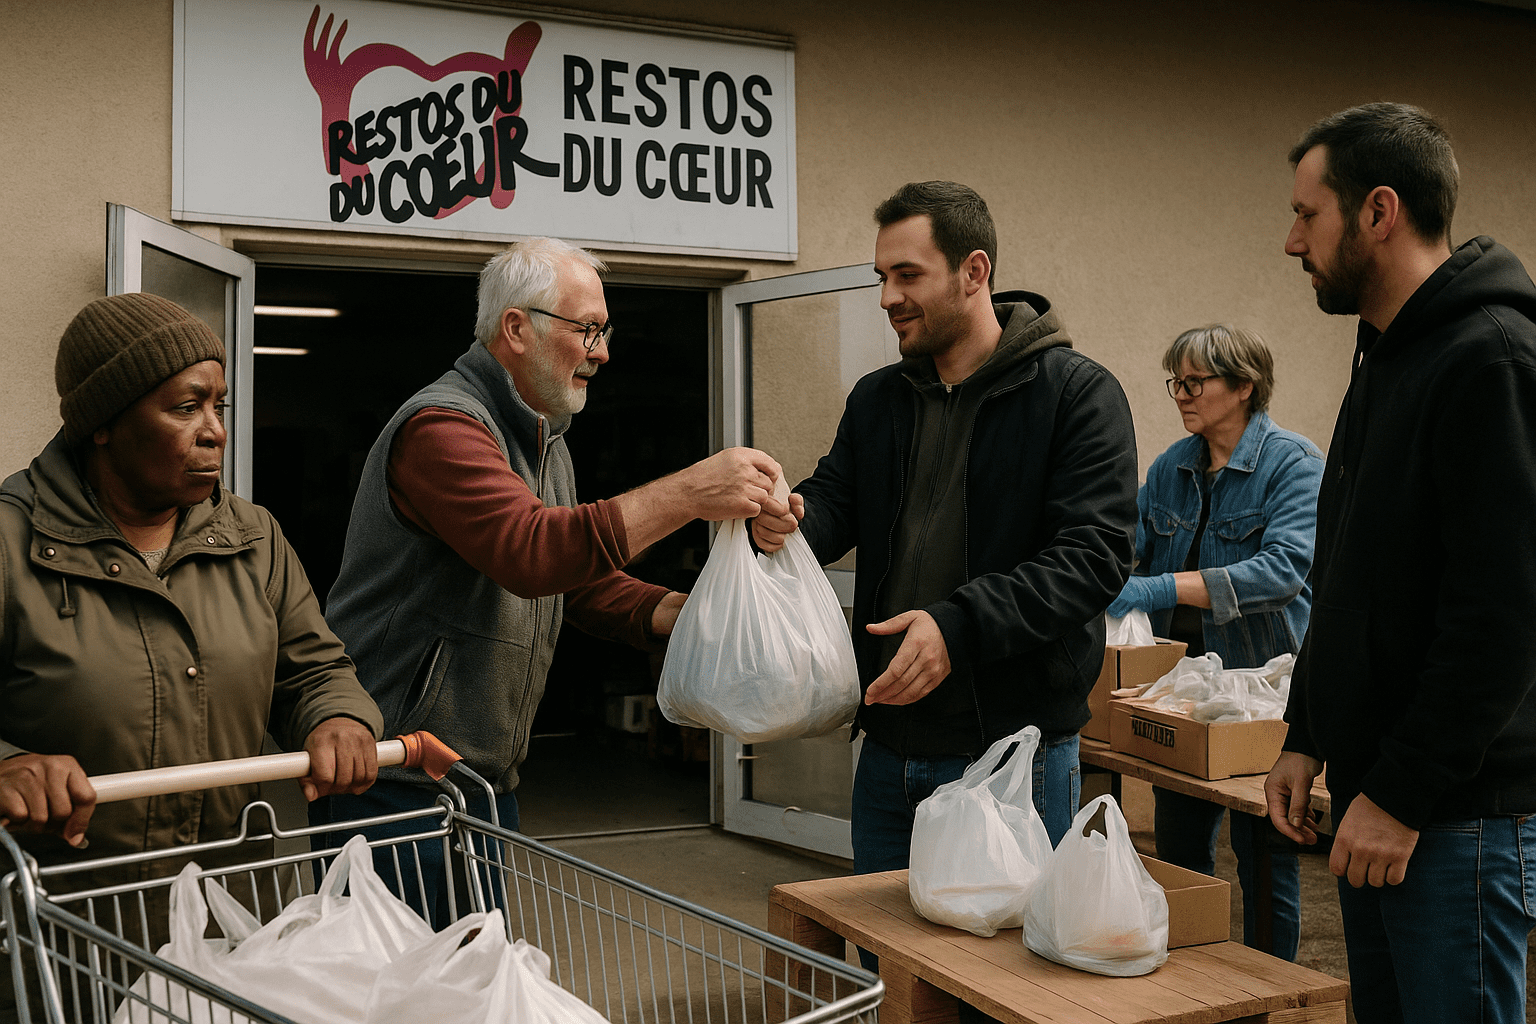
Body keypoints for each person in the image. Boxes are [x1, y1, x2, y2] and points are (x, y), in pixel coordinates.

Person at [312, 236, 787, 924]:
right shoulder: (443, 428)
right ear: (515, 328)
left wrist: (693, 613)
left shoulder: (545, 441)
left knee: (470, 990)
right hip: (393, 784)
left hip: (478, 784)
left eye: (605, 331)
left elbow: (577, 581)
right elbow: (529, 553)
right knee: (389, 996)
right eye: (588, 329)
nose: (603, 352)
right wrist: (690, 491)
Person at [1, 293, 382, 1019]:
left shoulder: (254, 538)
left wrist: (337, 719)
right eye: (185, 408)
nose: (215, 433)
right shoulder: (12, 546)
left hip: (226, 927)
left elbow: (313, 669)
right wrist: (9, 763)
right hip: (65, 936)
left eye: (220, 405)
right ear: (104, 425)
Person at [753, 180, 1138, 874]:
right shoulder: (879, 399)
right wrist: (788, 521)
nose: (887, 297)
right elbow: (836, 499)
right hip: (889, 749)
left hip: (1013, 754)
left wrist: (956, 625)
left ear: (975, 272)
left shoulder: (1076, 395)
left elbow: (1093, 558)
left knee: (1000, 973)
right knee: (885, 968)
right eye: (882, 277)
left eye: (908, 276)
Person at [1265, 102, 1536, 1024]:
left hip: (1450, 819)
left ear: (1378, 211)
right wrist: (1308, 731)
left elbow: (1504, 616)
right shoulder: (1386, 356)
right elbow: (1345, 575)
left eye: (1309, 214)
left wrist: (1402, 792)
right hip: (1377, 799)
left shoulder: (1489, 358)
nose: (1291, 240)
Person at [1108, 324, 1323, 960]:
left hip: (1265, 692)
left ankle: (1271, 987)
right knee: (1178, 850)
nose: (1180, 395)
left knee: (1266, 853)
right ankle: (1190, 975)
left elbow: (1284, 570)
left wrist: (1161, 590)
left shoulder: (1294, 464)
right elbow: (1132, 552)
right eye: (1175, 381)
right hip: (1182, 691)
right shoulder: (1172, 467)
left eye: (1194, 382)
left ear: (1244, 387)